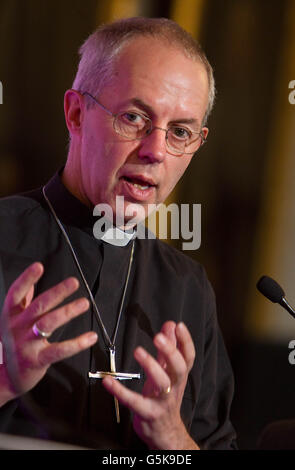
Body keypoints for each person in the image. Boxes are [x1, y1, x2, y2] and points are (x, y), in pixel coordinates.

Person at [0, 17, 236, 450]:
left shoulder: (189, 288)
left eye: (180, 132)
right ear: (75, 113)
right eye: (133, 117)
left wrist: (172, 436)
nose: (156, 151)